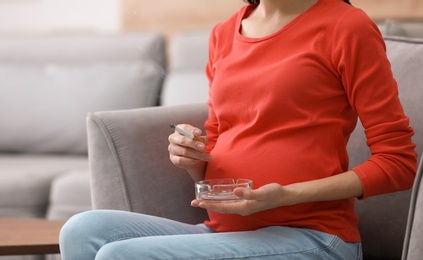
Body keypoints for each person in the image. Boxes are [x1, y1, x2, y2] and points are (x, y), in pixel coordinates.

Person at [59, 0, 417, 259]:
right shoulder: (224, 33)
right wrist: (191, 157)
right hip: (224, 232)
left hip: (314, 239)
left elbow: (399, 165)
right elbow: (215, 141)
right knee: (82, 230)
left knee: (119, 256)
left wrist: (285, 195)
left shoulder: (346, 25)